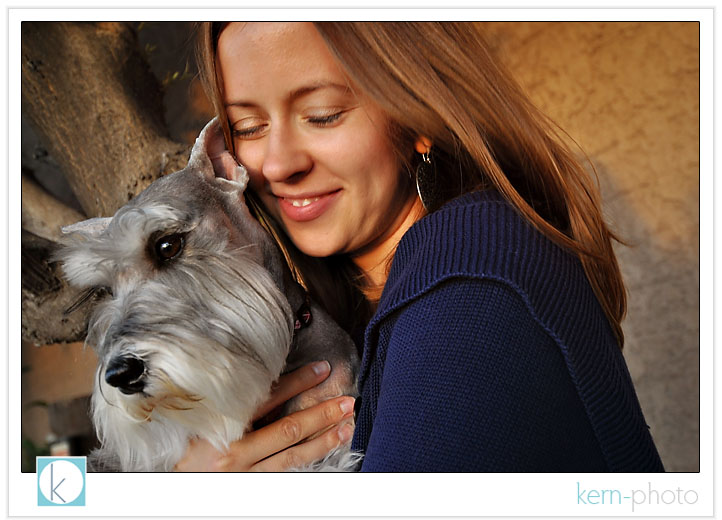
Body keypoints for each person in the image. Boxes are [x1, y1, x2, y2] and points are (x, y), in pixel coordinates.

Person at [175, 21, 664, 472]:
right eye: (248, 127)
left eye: (322, 116)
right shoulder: (368, 301)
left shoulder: (470, 290)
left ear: (417, 115)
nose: (278, 164)